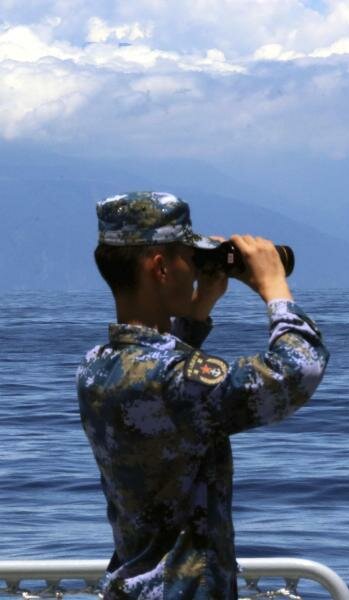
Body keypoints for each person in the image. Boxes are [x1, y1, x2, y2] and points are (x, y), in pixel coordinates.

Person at [76, 191, 329, 599]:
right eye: (187, 258)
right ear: (160, 267)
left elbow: (161, 391)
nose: (194, 270)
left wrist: (195, 312)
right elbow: (298, 371)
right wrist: (275, 289)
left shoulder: (95, 366)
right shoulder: (174, 381)